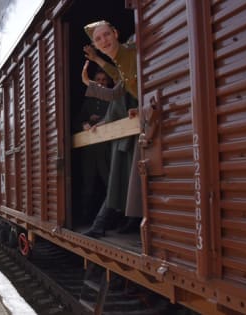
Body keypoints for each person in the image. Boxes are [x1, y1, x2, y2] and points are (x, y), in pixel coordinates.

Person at [82, 21, 142, 237]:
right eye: (98, 39)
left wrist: (140, 107)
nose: (104, 41)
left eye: (106, 35)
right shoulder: (123, 64)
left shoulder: (129, 54)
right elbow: (119, 80)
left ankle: (103, 223)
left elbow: (121, 82)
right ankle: (126, 221)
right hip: (124, 136)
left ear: (116, 33)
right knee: (123, 180)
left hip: (134, 133)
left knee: (123, 180)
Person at [76, 70, 111, 222]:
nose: (101, 82)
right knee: (88, 185)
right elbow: (77, 120)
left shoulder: (112, 98)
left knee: (109, 183)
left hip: (106, 148)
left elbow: (116, 115)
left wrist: (102, 120)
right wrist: (84, 123)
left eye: (104, 80)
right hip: (90, 149)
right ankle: (86, 217)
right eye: (98, 79)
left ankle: (110, 219)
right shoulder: (88, 101)